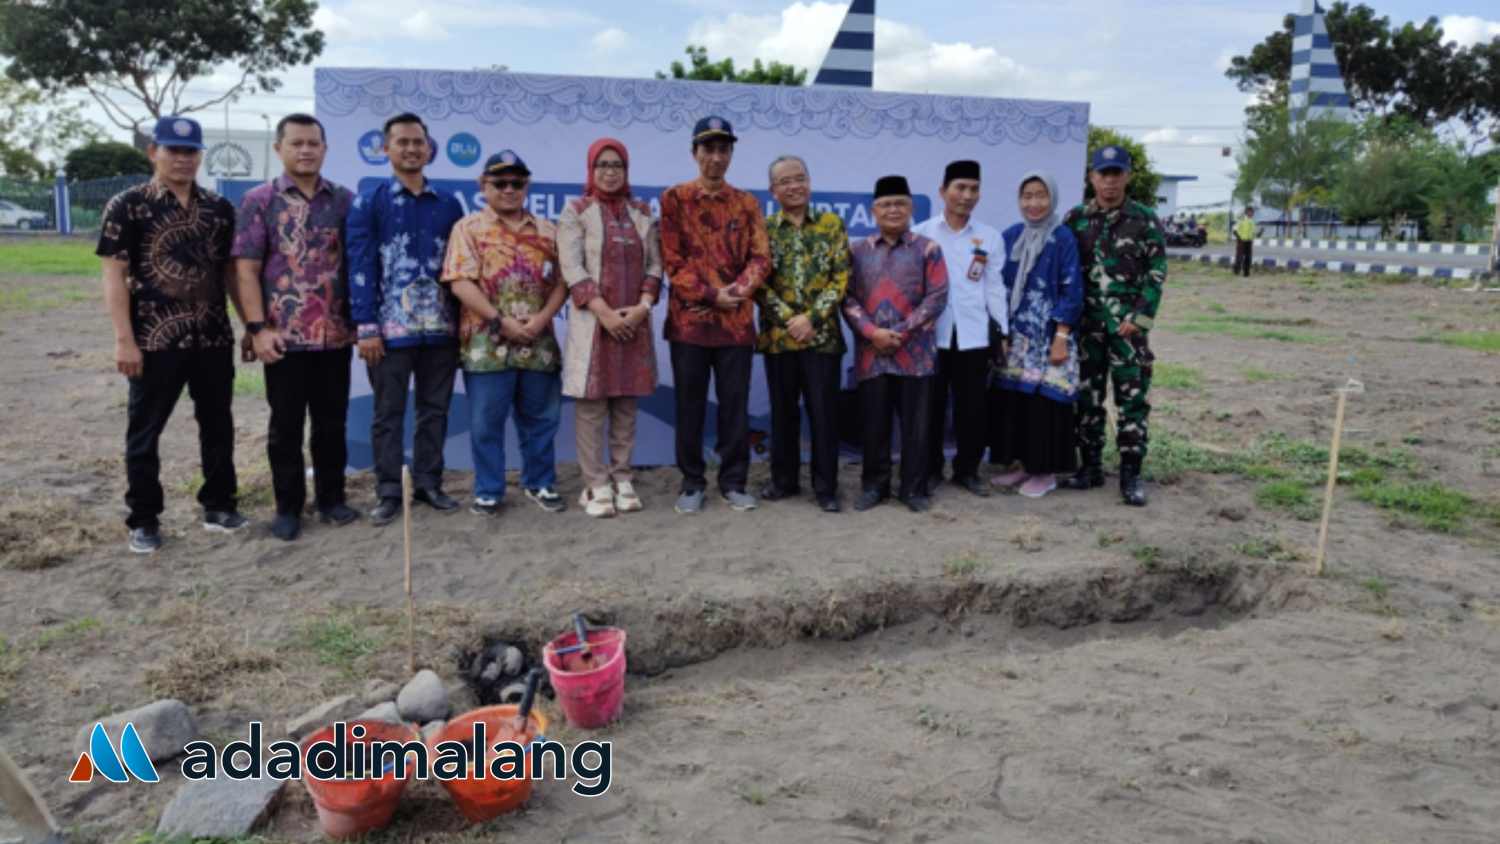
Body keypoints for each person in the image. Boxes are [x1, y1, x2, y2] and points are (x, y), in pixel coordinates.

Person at [97, 115, 247, 554]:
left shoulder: (220, 209)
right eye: (172, 150)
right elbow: (113, 277)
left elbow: (232, 276)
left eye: (190, 151)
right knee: (145, 431)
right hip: (154, 340)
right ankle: (143, 519)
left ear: (200, 155)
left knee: (218, 424)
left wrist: (250, 326)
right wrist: (124, 339)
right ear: (153, 152)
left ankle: (219, 505)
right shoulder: (127, 206)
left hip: (212, 337)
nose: (182, 159)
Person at [232, 114, 358, 542]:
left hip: (334, 336)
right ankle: (287, 507)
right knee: (285, 427)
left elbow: (356, 264)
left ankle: (332, 499)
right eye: (297, 143)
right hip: (282, 338)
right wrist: (256, 329)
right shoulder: (259, 200)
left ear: (325, 148)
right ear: (279, 148)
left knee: (331, 425)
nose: (306, 150)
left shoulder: (343, 200)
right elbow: (245, 270)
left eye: (313, 143)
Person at [347, 112, 466, 525]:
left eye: (418, 141)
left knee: (435, 411)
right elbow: (359, 266)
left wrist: (464, 321)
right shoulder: (369, 201)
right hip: (388, 334)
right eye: (402, 142)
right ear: (386, 149)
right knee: (388, 414)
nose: (412, 148)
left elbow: (460, 268)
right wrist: (365, 326)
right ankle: (389, 490)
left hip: (441, 331)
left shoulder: (450, 203)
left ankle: (430, 483)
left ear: (429, 148)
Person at [441, 150, 567, 516]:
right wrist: (501, 321)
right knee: (485, 423)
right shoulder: (468, 229)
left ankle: (540, 483)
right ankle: (489, 490)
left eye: (517, 183)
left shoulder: (549, 230)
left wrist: (543, 319)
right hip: (486, 344)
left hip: (538, 342)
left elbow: (563, 283)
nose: (509, 189)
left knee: (542, 420)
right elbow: (461, 284)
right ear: (484, 186)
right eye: (500, 183)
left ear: (526, 185)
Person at [658, 115, 771, 515]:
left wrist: (736, 293)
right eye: (709, 148)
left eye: (724, 149)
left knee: (734, 407)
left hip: (736, 324)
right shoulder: (674, 199)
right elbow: (672, 259)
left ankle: (734, 481)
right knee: (689, 406)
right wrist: (710, 294)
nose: (716, 157)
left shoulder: (747, 203)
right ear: (695, 153)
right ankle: (691, 483)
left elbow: (761, 258)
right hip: (689, 323)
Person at [557, 138, 661, 518]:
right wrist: (604, 312)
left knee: (626, 403)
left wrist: (641, 308)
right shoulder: (576, 211)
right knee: (591, 407)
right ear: (591, 169)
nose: (610, 171)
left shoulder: (642, 211)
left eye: (617, 164)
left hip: (634, 322)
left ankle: (622, 477)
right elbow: (572, 268)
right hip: (593, 324)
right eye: (602, 164)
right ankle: (595, 482)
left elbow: (655, 266)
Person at [1060, 145, 1167, 507]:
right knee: (1086, 399)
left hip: (1128, 332)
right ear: (1092, 177)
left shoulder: (1145, 219)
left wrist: (1139, 317)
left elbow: (1155, 275)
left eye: (1116, 173)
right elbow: (1065, 271)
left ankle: (1130, 473)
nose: (1109, 181)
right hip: (1087, 327)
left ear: (1127, 177)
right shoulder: (1074, 219)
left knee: (1131, 401)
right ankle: (1089, 467)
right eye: (1103, 174)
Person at [844, 175, 948, 513]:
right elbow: (845, 297)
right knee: (873, 425)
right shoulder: (856, 250)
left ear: (911, 208)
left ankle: (913, 489)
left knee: (917, 428)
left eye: (899, 204)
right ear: (873, 210)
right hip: (871, 353)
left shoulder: (928, 249)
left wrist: (901, 331)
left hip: (915, 353)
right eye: (886, 204)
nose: (893, 210)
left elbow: (937, 297)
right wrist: (871, 332)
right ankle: (875, 487)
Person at [757, 155, 851, 513]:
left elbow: (841, 277)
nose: (794, 186)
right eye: (785, 181)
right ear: (773, 190)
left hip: (822, 337)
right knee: (783, 413)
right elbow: (759, 284)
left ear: (809, 182)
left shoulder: (831, 225)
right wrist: (788, 319)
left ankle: (826, 488)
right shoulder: (763, 229)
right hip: (779, 340)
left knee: (824, 414)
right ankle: (784, 481)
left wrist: (811, 318)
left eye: (800, 178)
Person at [913, 160, 1006, 498]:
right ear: (943, 191)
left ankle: (967, 470)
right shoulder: (922, 233)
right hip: (931, 335)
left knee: (972, 408)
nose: (966, 196)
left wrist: (1002, 333)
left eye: (973, 189)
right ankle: (932, 468)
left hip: (974, 335)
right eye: (960, 188)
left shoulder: (989, 237)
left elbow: (994, 288)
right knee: (932, 406)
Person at [989, 172, 1084, 498]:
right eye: (1027, 196)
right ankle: (1023, 466)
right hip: (1017, 338)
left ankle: (1045, 473)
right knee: (1018, 403)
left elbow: (1072, 289)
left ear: (1053, 198)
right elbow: (995, 286)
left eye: (1041, 195)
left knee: (1047, 404)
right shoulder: (1011, 236)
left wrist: (1061, 335)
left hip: (1048, 337)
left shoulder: (1063, 237)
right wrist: (999, 330)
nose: (1034, 203)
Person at [1232, 206, 1259, 277]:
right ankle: (1236, 271)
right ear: (1246, 212)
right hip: (1241, 241)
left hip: (1249, 241)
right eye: (1250, 212)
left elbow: (1254, 232)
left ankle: (1246, 273)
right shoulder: (1241, 220)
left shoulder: (1252, 221)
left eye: (1252, 212)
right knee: (1239, 257)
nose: (1252, 213)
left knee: (1248, 257)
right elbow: (1234, 231)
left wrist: (1259, 233)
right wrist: (1240, 238)